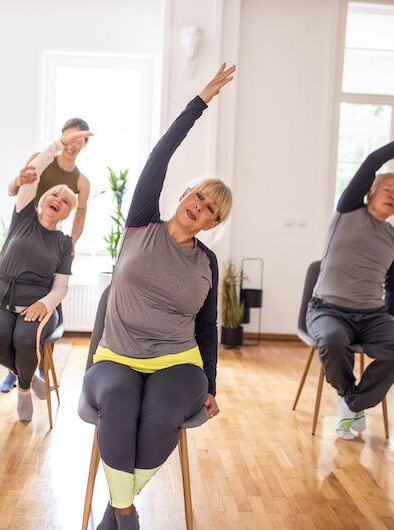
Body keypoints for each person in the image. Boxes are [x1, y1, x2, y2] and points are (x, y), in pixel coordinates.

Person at [81, 64, 235, 530]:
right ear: (186, 193)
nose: (200, 207)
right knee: (121, 407)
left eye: (211, 209)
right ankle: (125, 515)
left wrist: (209, 383)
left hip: (177, 362)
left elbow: (208, 328)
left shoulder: (207, 263)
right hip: (116, 358)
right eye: (200, 196)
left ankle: (116, 511)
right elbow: (160, 155)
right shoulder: (141, 224)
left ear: (212, 224)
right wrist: (201, 101)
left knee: (164, 414)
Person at [307, 128, 394, 440]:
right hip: (328, 310)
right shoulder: (347, 210)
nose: (392, 195)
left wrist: (390, 324)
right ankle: (349, 399)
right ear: (370, 192)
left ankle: (351, 402)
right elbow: (372, 160)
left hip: (371, 316)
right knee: (331, 340)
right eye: (387, 189)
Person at [0, 129, 92, 421]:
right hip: (0, 299)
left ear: (67, 212)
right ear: (43, 199)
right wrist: (60, 144)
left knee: (26, 341)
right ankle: (28, 378)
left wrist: (46, 304)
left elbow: (62, 286)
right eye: (55, 193)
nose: (59, 198)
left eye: (66, 201)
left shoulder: (64, 242)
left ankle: (23, 390)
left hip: (39, 304)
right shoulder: (23, 215)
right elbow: (36, 170)